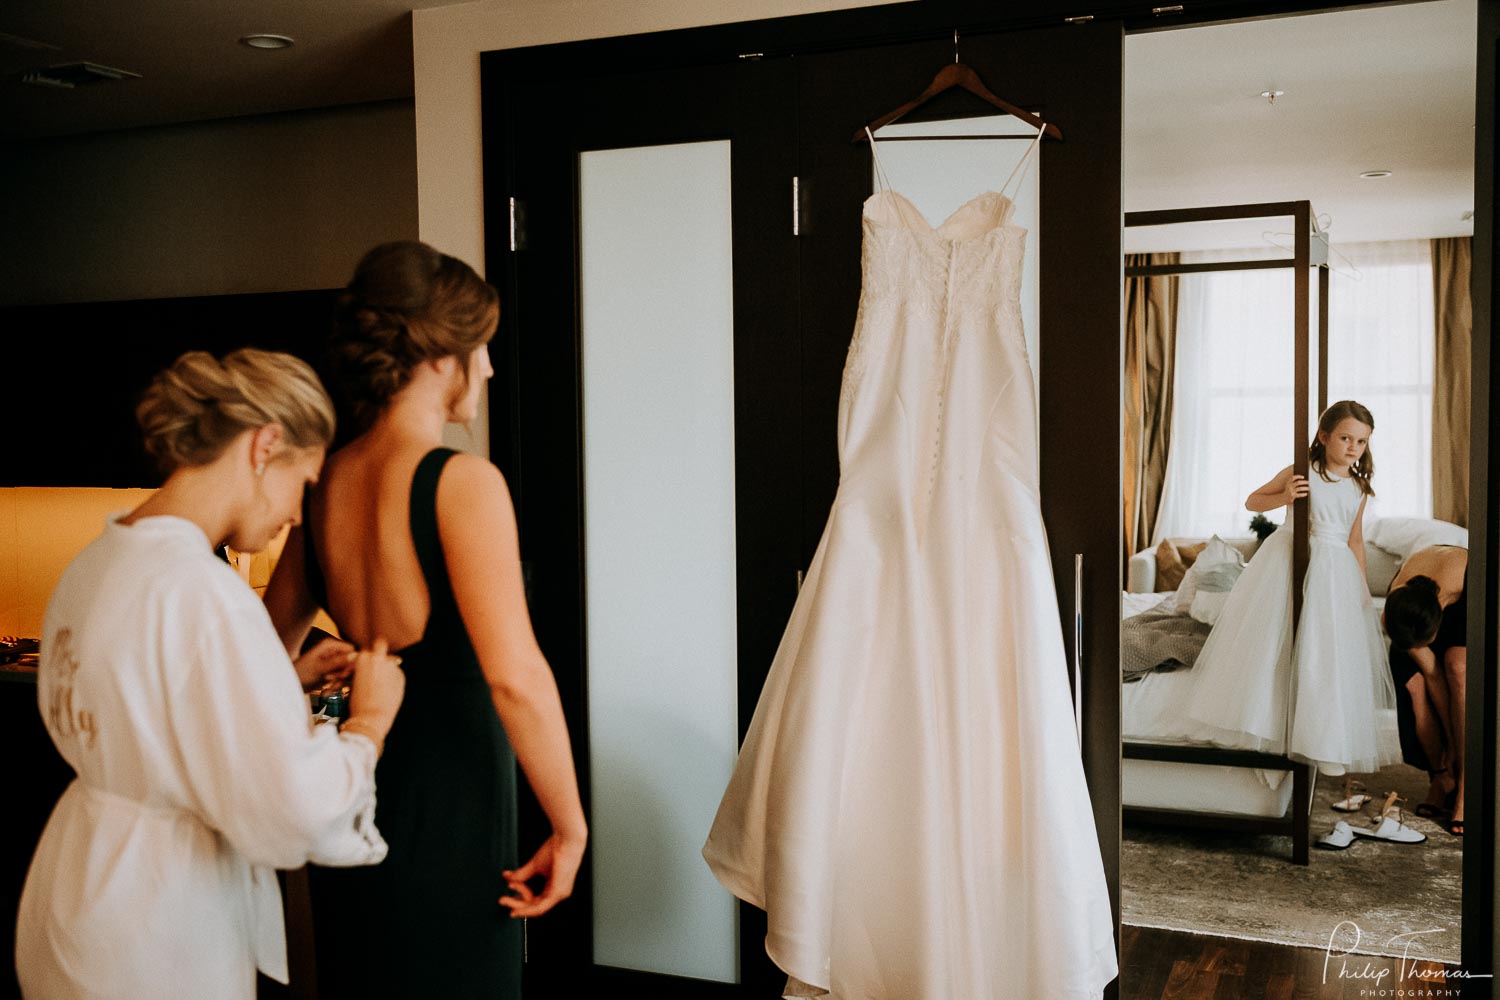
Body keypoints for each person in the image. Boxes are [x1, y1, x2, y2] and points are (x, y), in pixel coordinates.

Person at [16, 349, 406, 999]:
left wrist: (275, 678)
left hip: (78, 891)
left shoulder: (99, 559)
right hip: (158, 924)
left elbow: (155, 707)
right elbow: (292, 807)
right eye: (302, 485)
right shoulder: (204, 592)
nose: (295, 516)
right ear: (265, 445)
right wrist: (368, 723)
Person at [265, 241, 587, 999]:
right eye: (481, 350)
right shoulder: (462, 483)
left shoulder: (321, 485)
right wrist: (569, 827)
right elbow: (517, 679)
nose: (490, 369)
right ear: (441, 357)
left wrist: (311, 675)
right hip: (457, 817)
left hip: (357, 798)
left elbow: (256, 652)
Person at [1180, 400, 1401, 775]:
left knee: (1324, 651)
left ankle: (1323, 737)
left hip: (1335, 571)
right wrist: (1285, 496)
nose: (1352, 448)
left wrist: (1361, 586)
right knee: (1275, 640)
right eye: (1346, 438)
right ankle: (1266, 721)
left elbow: (1355, 541)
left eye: (1361, 442)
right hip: (1289, 559)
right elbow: (1253, 500)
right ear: (1324, 436)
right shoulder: (1303, 472)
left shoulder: (1358, 488)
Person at [1384, 544, 1469, 835]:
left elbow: (1444, 673)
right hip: (1415, 612)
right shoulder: (1395, 611)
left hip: (1465, 602)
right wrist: (1449, 749)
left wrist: (1458, 749)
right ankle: (1441, 777)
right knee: (1415, 688)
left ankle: (1465, 787)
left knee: (1458, 667)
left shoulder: (1465, 580)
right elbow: (1431, 675)